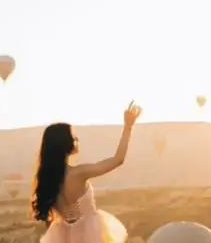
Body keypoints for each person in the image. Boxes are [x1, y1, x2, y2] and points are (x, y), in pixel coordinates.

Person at [32, 101, 141, 243]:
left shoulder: (47, 180)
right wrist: (128, 126)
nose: (77, 140)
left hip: (62, 236)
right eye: (73, 137)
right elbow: (118, 159)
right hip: (91, 234)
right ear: (65, 143)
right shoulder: (78, 173)